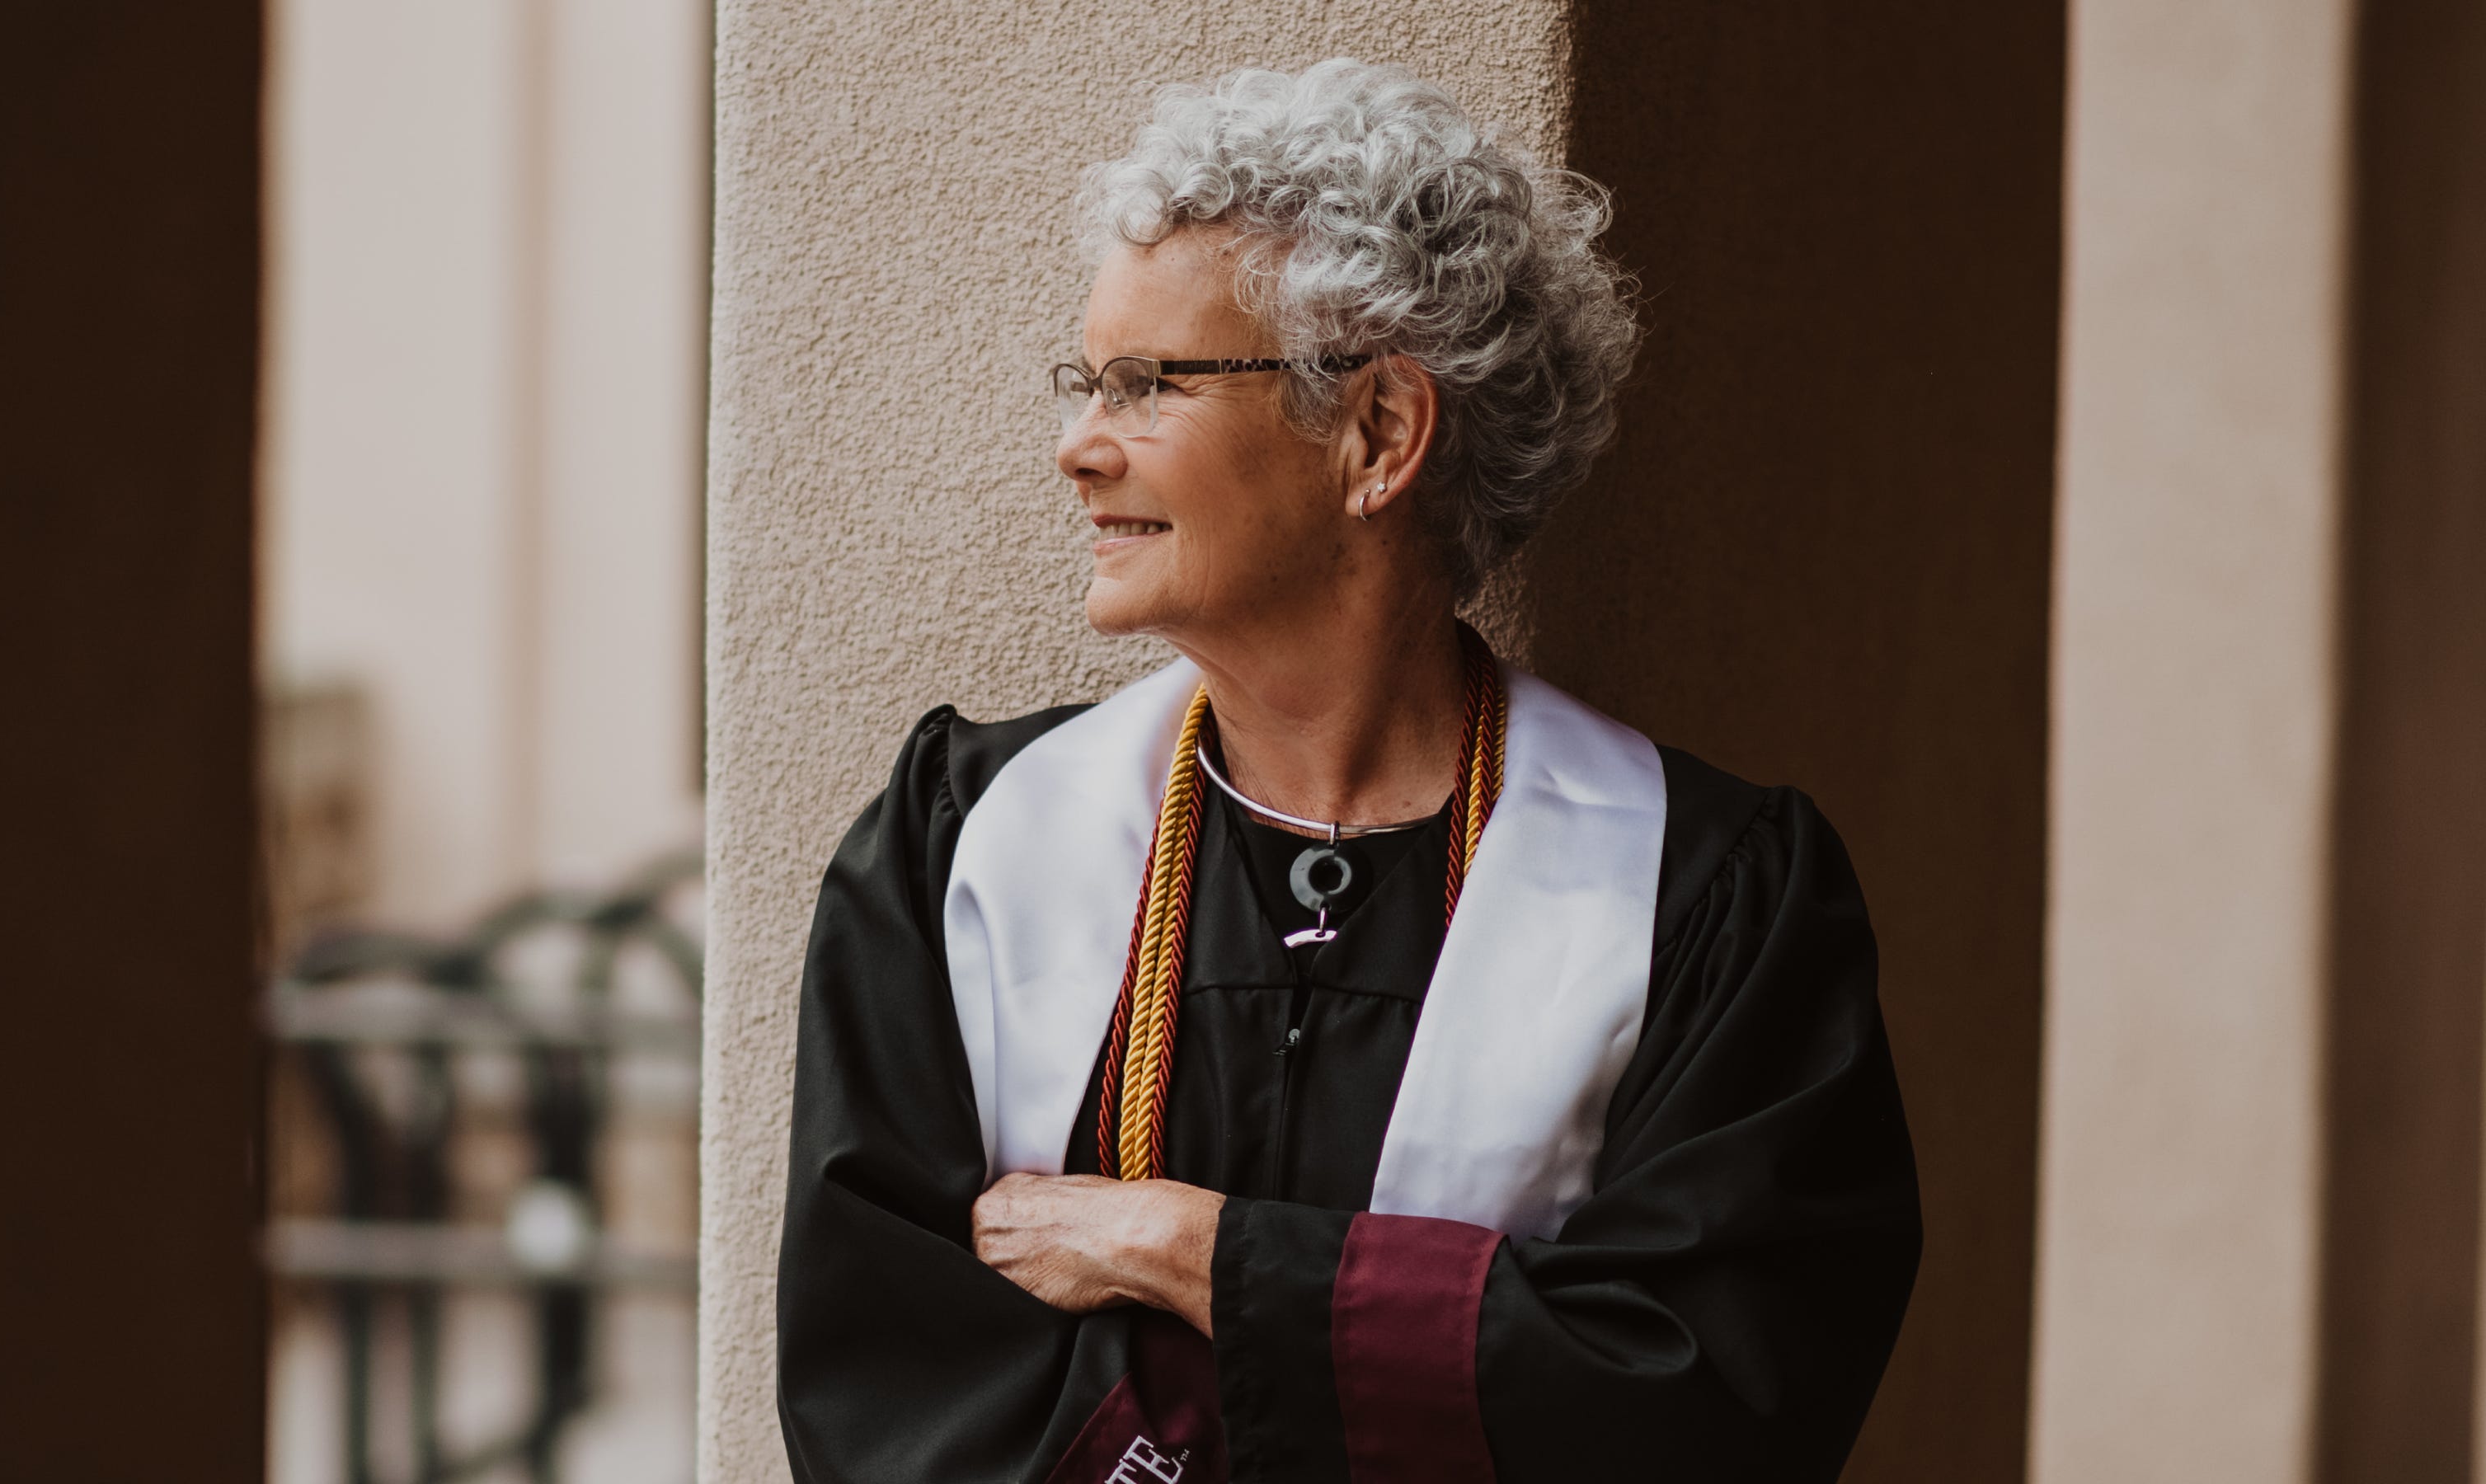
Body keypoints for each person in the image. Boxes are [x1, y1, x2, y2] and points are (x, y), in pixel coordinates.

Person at [775, 59, 1919, 1484]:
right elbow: (890, 1379)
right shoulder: (965, 847)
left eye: (1148, 384)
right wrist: (1436, 1319)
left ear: (1378, 433)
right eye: (1087, 380)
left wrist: (1192, 1253)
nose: (1079, 446)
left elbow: (1703, 1402)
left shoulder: (1708, 899)